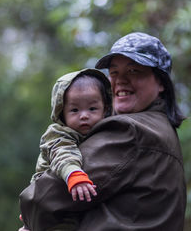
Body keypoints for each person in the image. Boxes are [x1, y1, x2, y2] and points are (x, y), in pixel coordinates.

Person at [19, 32, 187, 231]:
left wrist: (30, 216)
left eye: (133, 71)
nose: (120, 80)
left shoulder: (132, 130)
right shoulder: (162, 128)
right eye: (114, 72)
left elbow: (42, 199)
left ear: (161, 83)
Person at [19, 68, 112, 230]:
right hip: (50, 196)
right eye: (75, 110)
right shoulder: (58, 134)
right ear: (62, 113)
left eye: (92, 109)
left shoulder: (103, 132)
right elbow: (62, 153)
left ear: (105, 109)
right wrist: (74, 174)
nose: (84, 115)